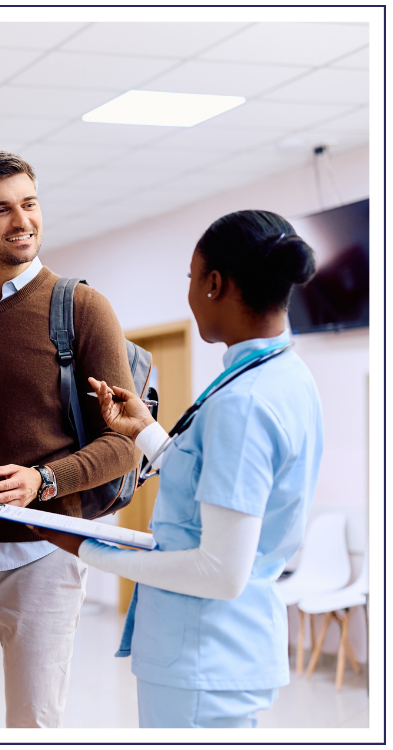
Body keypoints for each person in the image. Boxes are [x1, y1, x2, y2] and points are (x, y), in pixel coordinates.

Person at [30, 210, 322, 729]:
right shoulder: (281, 375)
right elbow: (209, 476)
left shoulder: (246, 401)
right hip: (224, 649)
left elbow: (219, 572)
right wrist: (142, 429)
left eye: (190, 279)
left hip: (204, 653)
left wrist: (89, 547)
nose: (188, 293)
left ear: (214, 284)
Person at [0, 152, 142, 729]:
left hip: (44, 560)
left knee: (34, 724)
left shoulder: (83, 308)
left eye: (30, 204)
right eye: (1, 209)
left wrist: (43, 479)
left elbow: (126, 447)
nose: (22, 220)